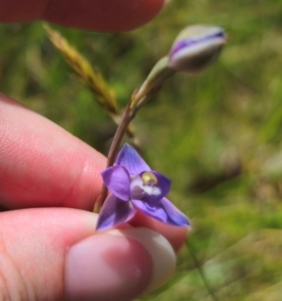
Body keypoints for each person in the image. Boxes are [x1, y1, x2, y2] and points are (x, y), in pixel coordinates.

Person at [0, 1, 188, 300]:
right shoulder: (120, 191)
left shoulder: (126, 191)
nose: (148, 180)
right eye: (145, 179)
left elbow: (157, 203)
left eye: (146, 180)